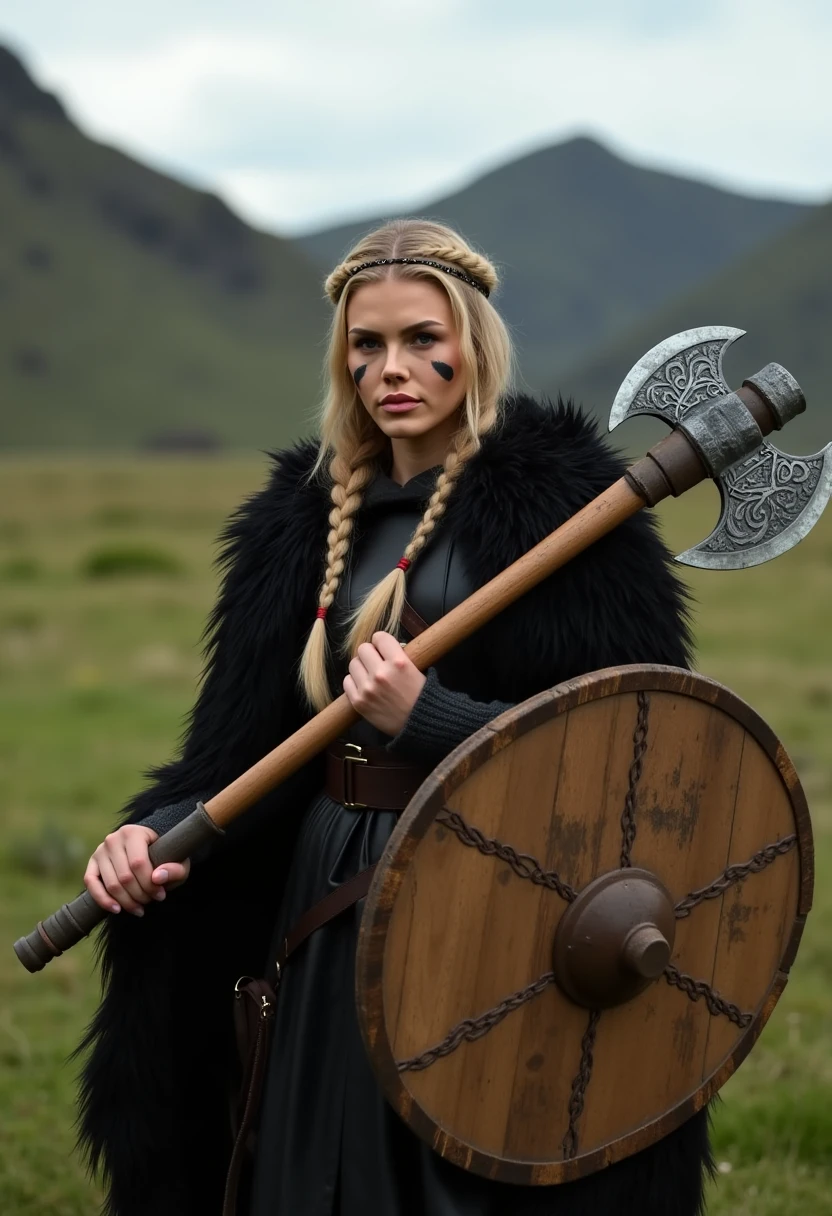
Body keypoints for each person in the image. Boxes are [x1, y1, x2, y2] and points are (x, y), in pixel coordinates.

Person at [78, 219, 712, 1216]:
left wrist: (430, 716)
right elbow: (240, 753)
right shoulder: (295, 524)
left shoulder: (569, 510)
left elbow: (636, 758)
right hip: (325, 894)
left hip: (499, 891)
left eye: (422, 338)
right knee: (312, 1154)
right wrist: (153, 832)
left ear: (474, 343)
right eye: (365, 346)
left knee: (467, 1164)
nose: (394, 368)